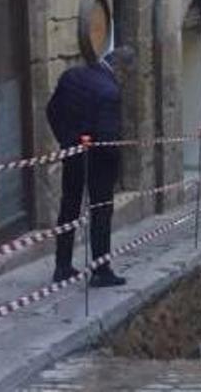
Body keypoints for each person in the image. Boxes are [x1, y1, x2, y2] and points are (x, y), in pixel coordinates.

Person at [45, 45, 134, 287]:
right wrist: (114, 162)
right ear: (121, 69)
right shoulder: (109, 91)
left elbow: (51, 110)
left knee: (69, 208)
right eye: (127, 75)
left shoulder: (71, 76)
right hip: (99, 163)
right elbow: (107, 138)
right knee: (101, 212)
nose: (125, 80)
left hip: (73, 154)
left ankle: (62, 267)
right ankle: (100, 270)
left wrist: (66, 140)